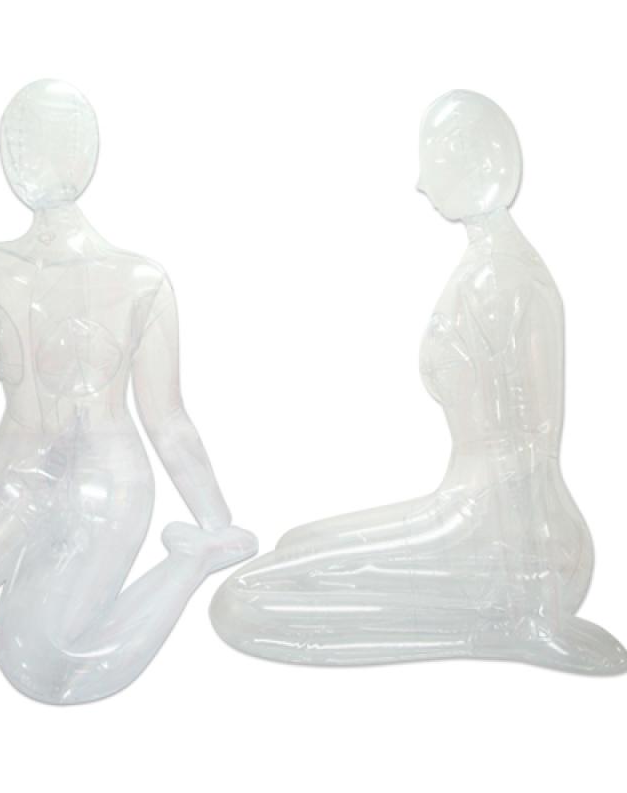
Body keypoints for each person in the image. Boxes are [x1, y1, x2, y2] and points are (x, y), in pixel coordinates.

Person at [0, 79, 257, 703]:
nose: (25, 159)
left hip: (103, 483)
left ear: (87, 153)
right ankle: (11, 534)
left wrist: (215, 521)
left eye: (42, 142)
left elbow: (166, 418)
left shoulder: (137, 281)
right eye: (17, 142)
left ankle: (190, 559)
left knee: (42, 661)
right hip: (6, 473)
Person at [210, 90, 626, 674]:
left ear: (478, 163)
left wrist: (536, 612)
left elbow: (527, 447)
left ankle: (501, 632)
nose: (422, 182)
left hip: (513, 543)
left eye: (433, 161)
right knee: (297, 543)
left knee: (242, 600)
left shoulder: (499, 282)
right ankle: (503, 619)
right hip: (479, 514)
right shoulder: (489, 269)